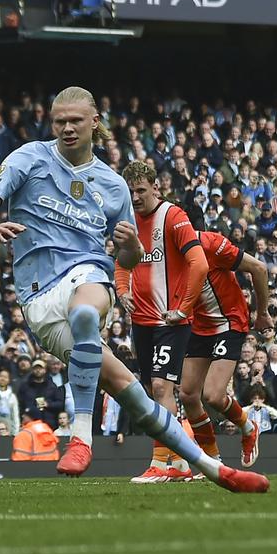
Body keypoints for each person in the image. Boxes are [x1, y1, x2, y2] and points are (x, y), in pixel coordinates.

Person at [0, 85, 267, 493]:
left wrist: (128, 248)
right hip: (37, 297)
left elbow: (127, 259)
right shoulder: (28, 158)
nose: (67, 128)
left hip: (86, 275)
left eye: (75, 121)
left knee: (87, 310)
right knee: (137, 397)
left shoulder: (112, 185)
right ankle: (215, 471)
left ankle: (81, 438)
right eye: (59, 122)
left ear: (95, 123)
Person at [114, 161, 208, 483]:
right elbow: (123, 262)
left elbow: (199, 264)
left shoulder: (174, 217)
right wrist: (122, 289)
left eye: (141, 190)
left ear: (156, 187)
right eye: (131, 191)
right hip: (141, 321)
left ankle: (159, 462)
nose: (136, 197)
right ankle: (180, 464)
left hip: (171, 321)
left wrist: (183, 308)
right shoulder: (127, 220)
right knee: (155, 391)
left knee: (160, 387)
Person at [179, 227, 272, 469]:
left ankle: (249, 428)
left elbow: (259, 268)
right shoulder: (164, 252)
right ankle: (212, 461)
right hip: (199, 326)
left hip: (228, 322)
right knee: (187, 394)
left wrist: (262, 313)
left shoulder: (210, 243)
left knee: (213, 395)